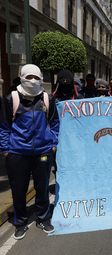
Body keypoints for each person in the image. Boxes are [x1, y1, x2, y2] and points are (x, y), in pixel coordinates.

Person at [0, 64, 59, 239]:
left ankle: (43, 218)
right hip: (17, 153)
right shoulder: (12, 98)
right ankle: (20, 223)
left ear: (40, 78)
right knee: (19, 190)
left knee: (42, 187)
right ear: (22, 77)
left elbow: (55, 123)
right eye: (29, 77)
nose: (32, 81)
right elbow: (4, 127)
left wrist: (52, 143)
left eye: (35, 77)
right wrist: (5, 150)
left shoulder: (46, 98)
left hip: (42, 152)